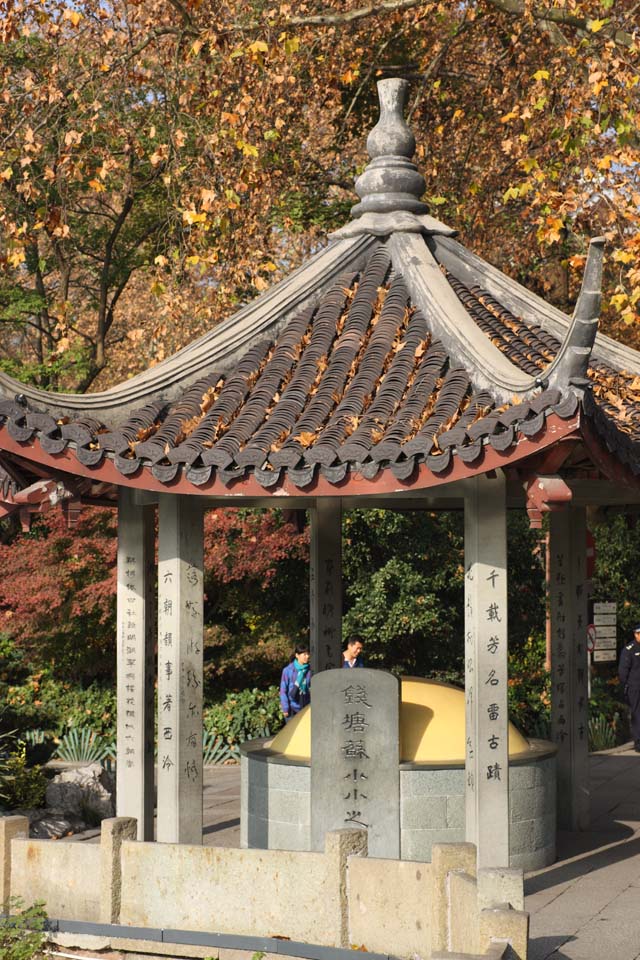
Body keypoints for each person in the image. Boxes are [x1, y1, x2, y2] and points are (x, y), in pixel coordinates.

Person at [618, 624, 640, 752]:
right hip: (635, 687)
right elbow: (623, 671)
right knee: (637, 713)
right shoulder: (629, 649)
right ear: (635, 634)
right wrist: (625, 686)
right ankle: (638, 741)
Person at [279, 644, 311, 721]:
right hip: (291, 708)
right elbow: (283, 690)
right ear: (297, 655)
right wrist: (285, 707)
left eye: (308, 654)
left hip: (306, 706)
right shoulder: (288, 670)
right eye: (304, 654)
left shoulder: (310, 670)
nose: (307, 656)